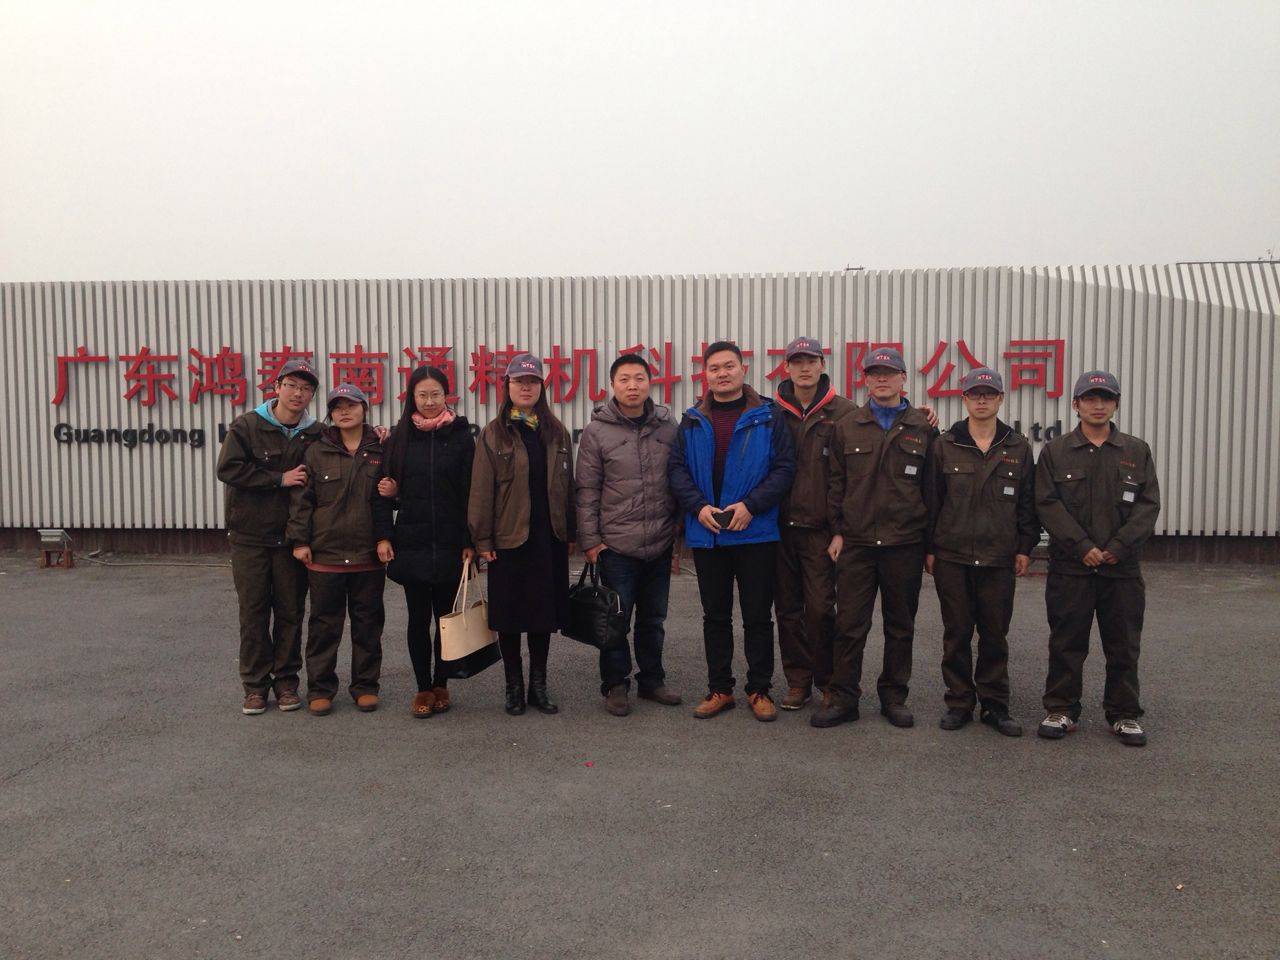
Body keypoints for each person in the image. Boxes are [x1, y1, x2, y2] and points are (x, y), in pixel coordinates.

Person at [667, 340, 796, 722]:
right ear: (705, 375)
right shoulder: (692, 420)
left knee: (757, 615)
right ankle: (720, 688)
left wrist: (751, 506)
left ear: (743, 369)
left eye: (729, 366)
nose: (722, 373)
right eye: (714, 368)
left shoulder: (769, 416)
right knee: (715, 616)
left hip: (754, 531)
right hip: (709, 532)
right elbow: (676, 470)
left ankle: (759, 689)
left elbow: (784, 468)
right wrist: (698, 507)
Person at [814, 346, 939, 729]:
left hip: (905, 543)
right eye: (874, 373)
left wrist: (930, 546)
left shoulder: (923, 427)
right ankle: (844, 698)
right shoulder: (847, 426)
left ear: (904, 379)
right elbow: (836, 484)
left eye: (889, 372)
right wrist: (837, 531)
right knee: (850, 626)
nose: (881, 379)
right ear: (865, 379)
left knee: (900, 627)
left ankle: (894, 698)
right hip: (857, 543)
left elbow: (933, 492)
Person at [1034, 370, 1160, 747]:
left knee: (1123, 644)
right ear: (1076, 405)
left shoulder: (1135, 451)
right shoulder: (1056, 452)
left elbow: (1148, 505)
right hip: (1071, 568)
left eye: (1106, 398)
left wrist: (1118, 547)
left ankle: (1124, 713)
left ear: (1116, 404)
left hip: (1121, 569)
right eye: (1090, 398)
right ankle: (1061, 709)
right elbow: (1047, 503)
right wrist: (1081, 546)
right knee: (1066, 643)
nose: (1098, 405)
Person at [924, 368, 1038, 737]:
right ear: (965, 399)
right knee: (956, 633)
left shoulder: (1017, 447)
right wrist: (930, 549)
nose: (982, 400)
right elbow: (931, 500)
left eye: (989, 394)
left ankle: (994, 705)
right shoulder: (945, 445)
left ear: (1001, 398)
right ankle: (959, 702)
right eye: (975, 394)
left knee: (994, 634)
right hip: (952, 555)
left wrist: (1025, 547)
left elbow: (1027, 504)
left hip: (998, 556)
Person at [575, 353, 683, 717]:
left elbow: (679, 479)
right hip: (616, 546)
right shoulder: (597, 431)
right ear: (612, 385)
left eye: (639, 378)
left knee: (653, 620)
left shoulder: (667, 426)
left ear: (650, 383)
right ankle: (616, 684)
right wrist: (591, 541)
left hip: (660, 541)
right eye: (624, 379)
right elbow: (587, 490)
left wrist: (676, 532)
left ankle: (652, 680)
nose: (632, 386)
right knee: (615, 620)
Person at [468, 353, 576, 717]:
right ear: (508, 387)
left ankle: (538, 686)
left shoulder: (556, 432)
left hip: (548, 538)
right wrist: (483, 541)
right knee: (510, 617)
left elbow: (568, 486)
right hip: (508, 540)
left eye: (532, 382)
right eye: (519, 381)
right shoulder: (494, 433)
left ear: (542, 387)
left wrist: (570, 531)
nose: (526, 387)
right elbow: (481, 491)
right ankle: (513, 686)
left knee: (543, 616)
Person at [216, 358, 323, 716]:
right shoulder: (247, 426)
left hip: (293, 539)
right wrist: (278, 479)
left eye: (305, 388)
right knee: (254, 612)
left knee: (291, 612)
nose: (298, 393)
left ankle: (287, 682)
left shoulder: (316, 432)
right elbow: (228, 469)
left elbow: (346, 447)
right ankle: (255, 686)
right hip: (250, 537)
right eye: (291, 385)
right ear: (276, 387)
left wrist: (379, 434)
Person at [373, 366, 475, 719]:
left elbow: (471, 493)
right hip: (412, 542)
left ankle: (441, 683)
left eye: (436, 394)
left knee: (445, 618)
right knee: (417, 619)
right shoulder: (399, 437)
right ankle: (422, 687)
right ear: (411, 398)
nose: (429, 401)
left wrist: (470, 541)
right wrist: (384, 535)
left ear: (447, 395)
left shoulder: (461, 436)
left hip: (450, 542)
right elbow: (382, 493)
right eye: (422, 395)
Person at [287, 383, 386, 716]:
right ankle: (320, 689)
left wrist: (386, 536)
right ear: (330, 414)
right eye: (338, 407)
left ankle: (365, 686)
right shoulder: (316, 451)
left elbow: (390, 498)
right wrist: (300, 541)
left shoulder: (380, 448)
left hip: (367, 555)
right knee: (324, 627)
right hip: (325, 554)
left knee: (368, 626)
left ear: (364, 409)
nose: (345, 412)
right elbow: (302, 500)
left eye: (351, 405)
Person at [770, 336, 856, 711]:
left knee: (821, 609)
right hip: (778, 528)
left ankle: (827, 680)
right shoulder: (772, 411)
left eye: (811, 360)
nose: (804, 368)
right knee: (787, 611)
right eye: (797, 361)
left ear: (822, 364)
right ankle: (797, 681)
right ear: (786, 367)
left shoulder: (845, 413)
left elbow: (852, 476)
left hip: (821, 531)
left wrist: (840, 529)